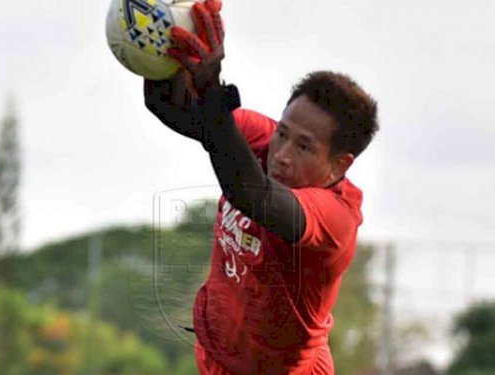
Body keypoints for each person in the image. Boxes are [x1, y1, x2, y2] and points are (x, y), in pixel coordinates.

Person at [143, 0, 379, 373]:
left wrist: (211, 90)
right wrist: (163, 49)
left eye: (304, 147)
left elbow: (252, 194)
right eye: (283, 133)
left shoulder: (335, 218)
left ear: (340, 164)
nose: (281, 154)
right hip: (221, 360)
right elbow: (177, 111)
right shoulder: (265, 142)